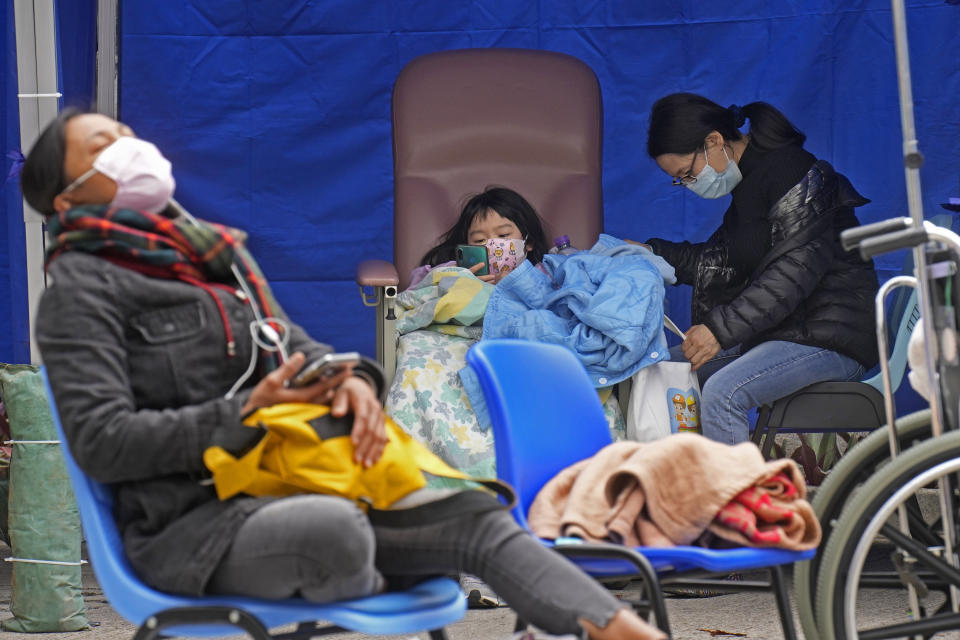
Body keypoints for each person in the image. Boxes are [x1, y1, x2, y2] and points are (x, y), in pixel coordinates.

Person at [21, 109, 663, 640]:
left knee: (476, 511)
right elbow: (104, 443)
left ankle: (624, 631)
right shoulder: (81, 292)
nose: (130, 148)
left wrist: (351, 380)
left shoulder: (218, 259)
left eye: (128, 135)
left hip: (297, 484)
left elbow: (304, 351)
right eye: (104, 145)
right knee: (338, 531)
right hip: (194, 527)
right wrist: (242, 416)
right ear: (66, 196)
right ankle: (402, 545)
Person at [643, 93, 879, 445]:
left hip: (831, 337)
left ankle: (738, 500)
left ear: (714, 141)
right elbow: (721, 261)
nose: (690, 185)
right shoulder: (748, 184)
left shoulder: (794, 173)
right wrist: (650, 252)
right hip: (786, 329)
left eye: (687, 174)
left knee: (724, 394)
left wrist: (719, 331)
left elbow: (790, 275)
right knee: (659, 370)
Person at [418, 186, 550, 284]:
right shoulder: (456, 270)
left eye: (503, 235)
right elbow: (415, 289)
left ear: (529, 242)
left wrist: (515, 285)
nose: (491, 245)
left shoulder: (544, 273)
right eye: (479, 240)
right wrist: (452, 279)